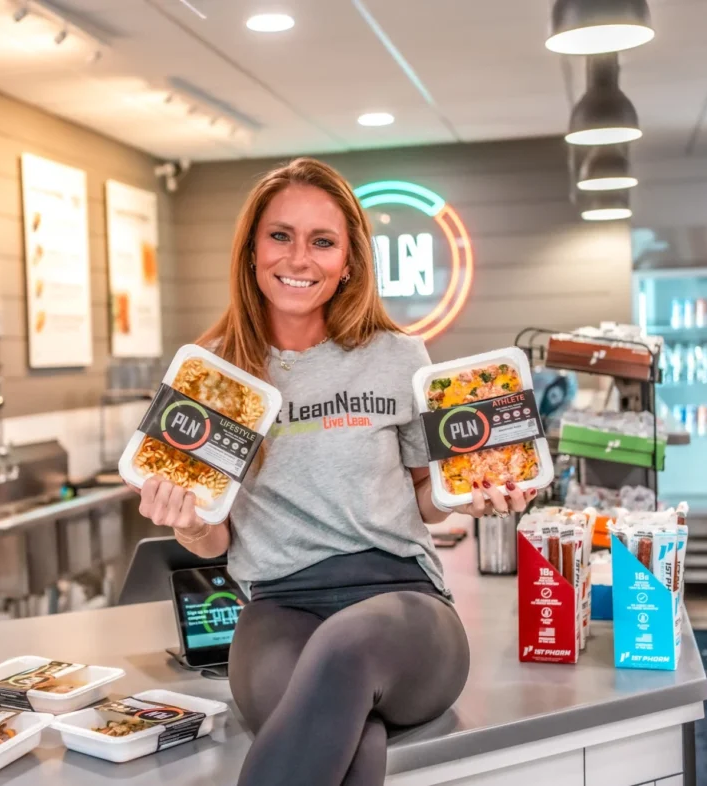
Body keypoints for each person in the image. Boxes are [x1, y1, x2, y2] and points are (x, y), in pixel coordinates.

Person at [136, 158, 532, 786]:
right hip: (279, 608)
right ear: (250, 250)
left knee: (346, 650)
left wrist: (469, 496)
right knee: (353, 733)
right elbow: (213, 537)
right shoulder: (212, 372)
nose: (299, 258)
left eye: (322, 241)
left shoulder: (397, 356)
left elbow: (424, 498)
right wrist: (186, 524)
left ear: (349, 260)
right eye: (280, 235)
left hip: (404, 602)